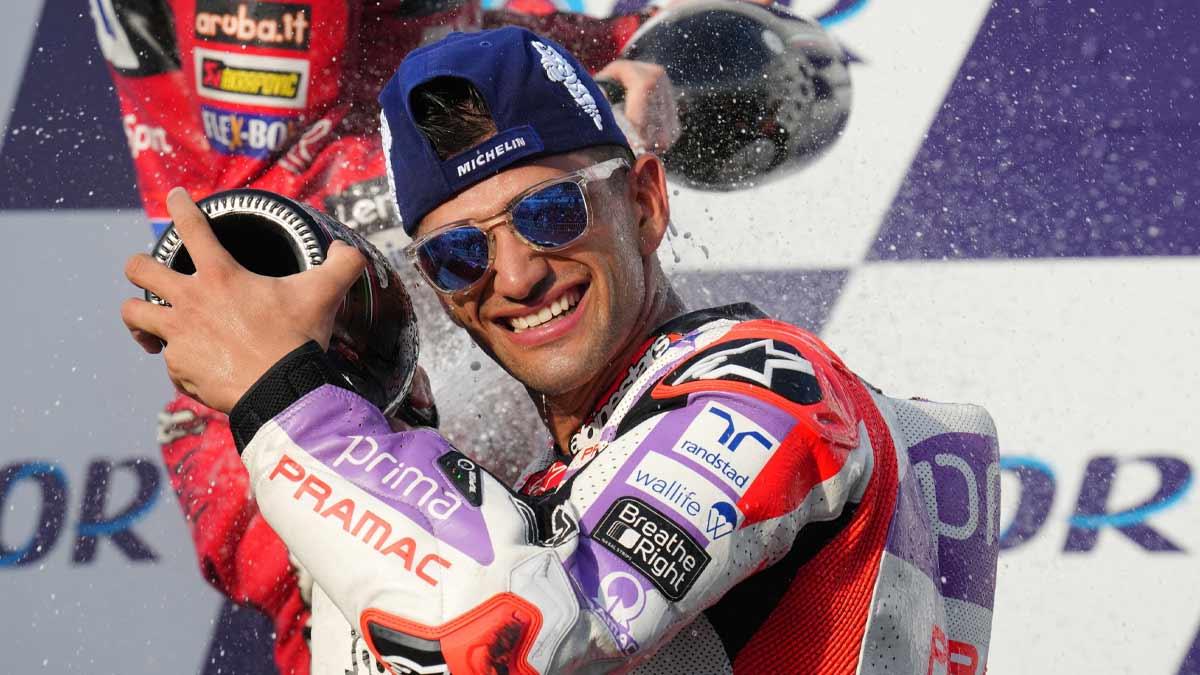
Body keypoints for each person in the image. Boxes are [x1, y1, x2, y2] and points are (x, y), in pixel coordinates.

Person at [122, 27, 999, 674]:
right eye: (458, 254)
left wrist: (290, 399)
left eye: (550, 213)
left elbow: (510, 635)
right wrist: (379, 406)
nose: (516, 275)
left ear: (646, 203)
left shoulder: (766, 385)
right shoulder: (559, 496)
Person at [93, 2, 678, 672]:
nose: (518, 273)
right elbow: (273, 214)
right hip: (282, 386)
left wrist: (606, 53)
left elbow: (440, 33)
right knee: (455, 634)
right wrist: (551, 143)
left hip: (373, 370)